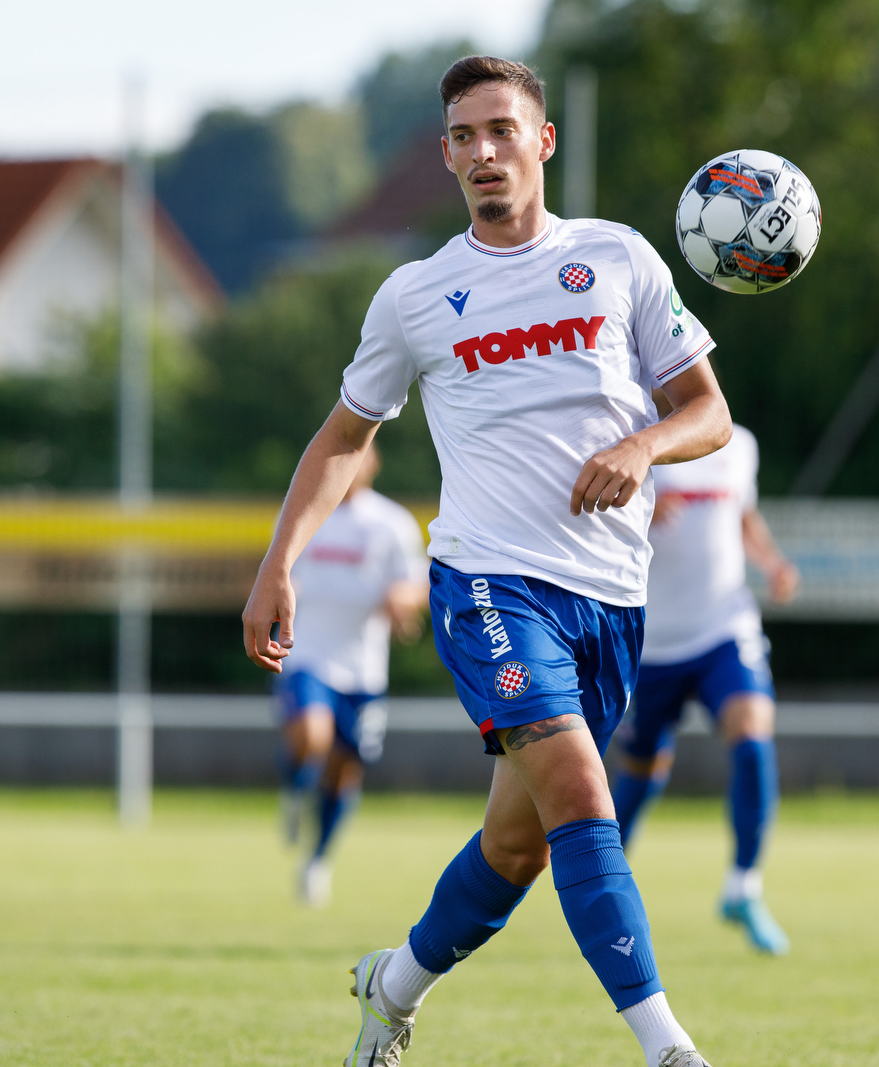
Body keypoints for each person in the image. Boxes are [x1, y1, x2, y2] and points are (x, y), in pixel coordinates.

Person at [242, 55, 731, 1067]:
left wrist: (640, 446)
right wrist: (276, 561)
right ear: (446, 156)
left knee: (517, 846)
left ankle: (393, 985)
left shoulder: (619, 259)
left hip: (608, 598)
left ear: (541, 141)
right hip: (485, 585)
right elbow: (341, 438)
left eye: (500, 130)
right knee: (584, 798)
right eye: (462, 137)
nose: (482, 152)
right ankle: (668, 1047)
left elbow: (707, 413)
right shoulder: (417, 296)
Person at [610, 412, 800, 955]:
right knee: (643, 770)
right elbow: (592, 520)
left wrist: (772, 563)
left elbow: (743, 517)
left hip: (724, 627)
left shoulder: (741, 443)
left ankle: (744, 887)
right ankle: (601, 888)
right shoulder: (636, 436)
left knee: (753, 732)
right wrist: (640, 511)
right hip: (652, 639)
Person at [275, 441, 429, 906]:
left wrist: (404, 599)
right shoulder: (303, 512)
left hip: (363, 668)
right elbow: (279, 569)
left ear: (373, 466)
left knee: (344, 772)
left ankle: (318, 861)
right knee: (312, 736)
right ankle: (294, 789)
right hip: (306, 654)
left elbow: (416, 581)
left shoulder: (391, 522)